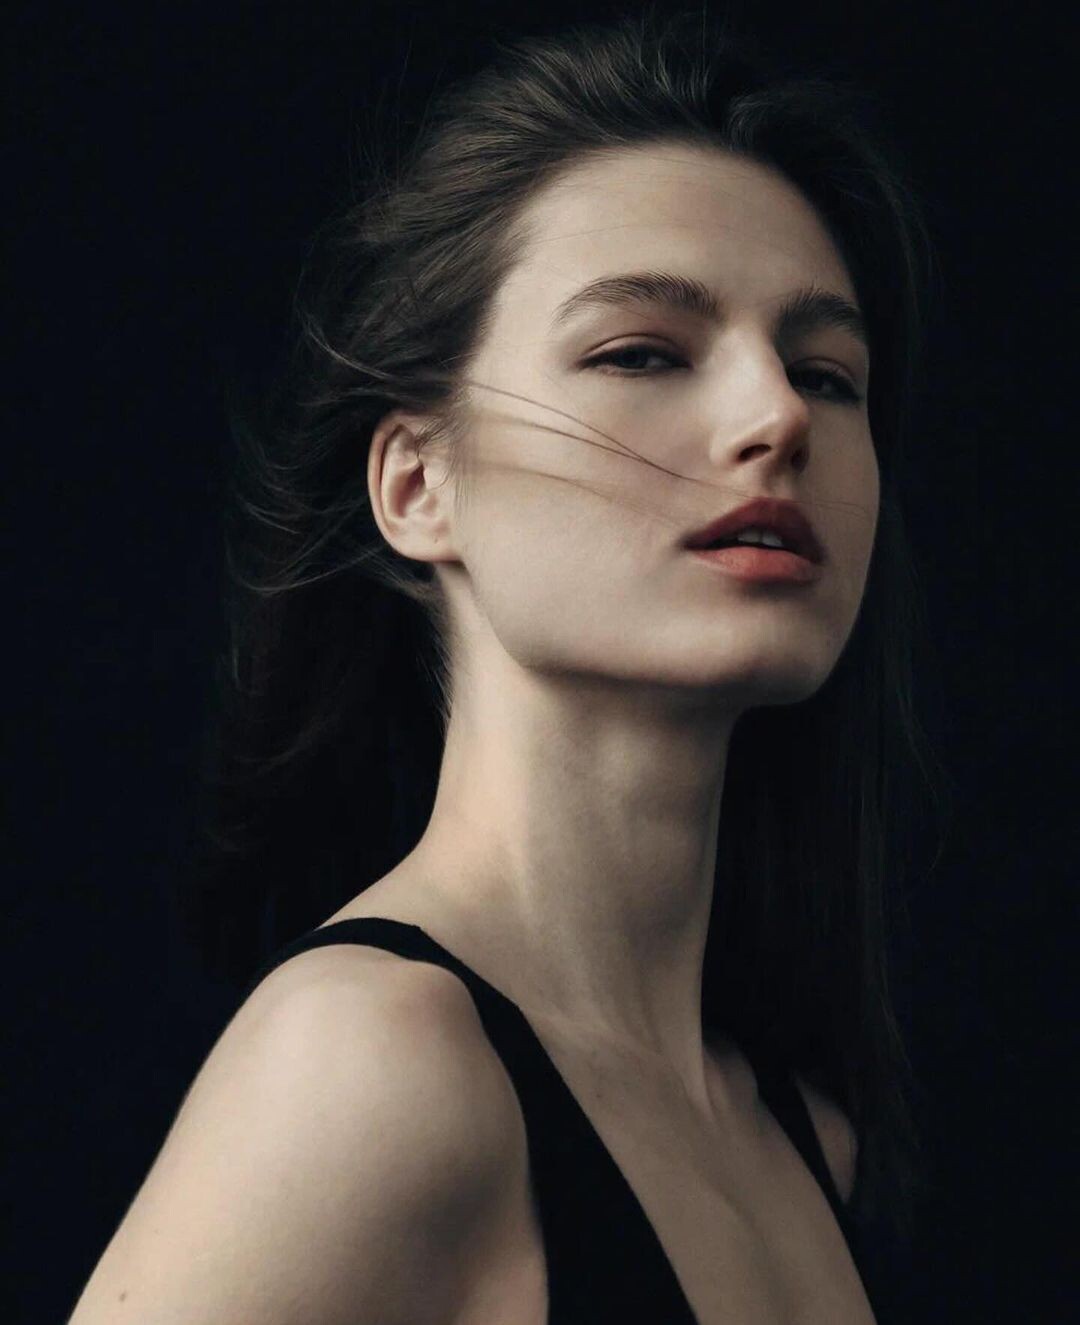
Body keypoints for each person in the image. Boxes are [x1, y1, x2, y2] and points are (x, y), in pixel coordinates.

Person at [69, 6, 949, 1322]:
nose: (776, 416)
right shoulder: (372, 1063)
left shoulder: (803, 1138)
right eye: (642, 352)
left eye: (827, 373)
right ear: (419, 485)